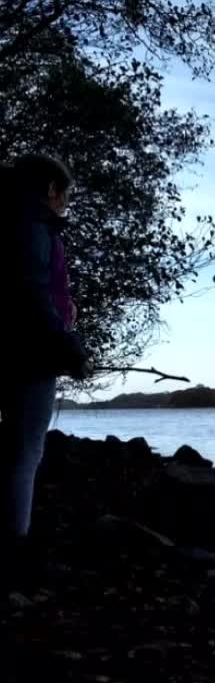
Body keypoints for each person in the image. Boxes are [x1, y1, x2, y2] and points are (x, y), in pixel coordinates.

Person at [1, 154, 92, 571]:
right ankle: (15, 548)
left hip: (19, 349)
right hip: (30, 355)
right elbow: (32, 292)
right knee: (25, 452)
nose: (65, 203)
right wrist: (67, 344)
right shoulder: (34, 226)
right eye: (65, 194)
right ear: (50, 190)